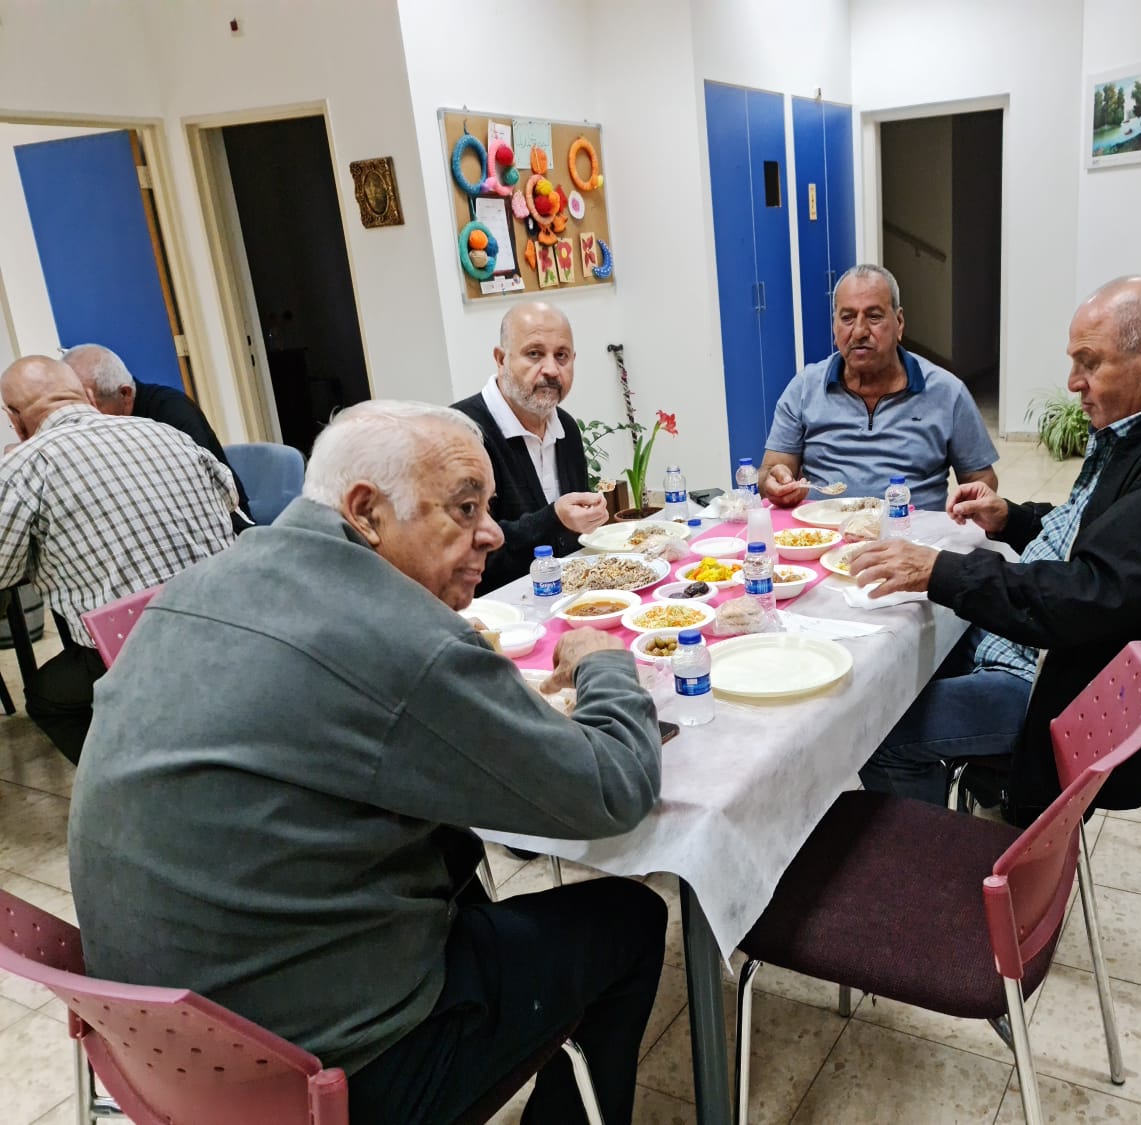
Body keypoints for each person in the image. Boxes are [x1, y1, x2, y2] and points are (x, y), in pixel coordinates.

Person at [68, 400, 666, 1125]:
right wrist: (605, 665)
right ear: (366, 511)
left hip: (164, 1048)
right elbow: (614, 788)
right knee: (629, 918)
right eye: (465, 506)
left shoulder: (203, 581)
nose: (493, 533)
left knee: (450, 855)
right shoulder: (402, 642)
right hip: (317, 1072)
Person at [848, 276, 1141, 823]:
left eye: (1089, 362)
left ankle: (942, 868)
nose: (1074, 382)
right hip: (1056, 652)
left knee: (877, 731)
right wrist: (1014, 519)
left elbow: (1082, 598)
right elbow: (1100, 537)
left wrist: (940, 569)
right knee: (896, 656)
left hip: (1063, 691)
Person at [0, 355, 236, 763]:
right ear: (87, 395)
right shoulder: (166, 433)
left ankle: (127, 783)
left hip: (134, 647)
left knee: (45, 698)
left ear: (15, 419)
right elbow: (229, 501)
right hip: (229, 620)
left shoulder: (23, 466)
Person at [758, 264, 999, 512]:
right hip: (823, 534)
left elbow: (981, 481)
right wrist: (775, 483)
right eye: (847, 318)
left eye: (874, 316)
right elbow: (770, 471)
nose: (860, 331)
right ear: (834, 327)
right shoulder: (805, 388)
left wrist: (967, 510)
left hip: (911, 539)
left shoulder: (947, 392)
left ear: (899, 323)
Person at [452, 302, 609, 594]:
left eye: (561, 356)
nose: (551, 369)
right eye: (534, 354)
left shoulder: (566, 428)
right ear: (501, 359)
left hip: (566, 599)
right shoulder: (461, 435)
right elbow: (469, 553)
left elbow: (570, 544)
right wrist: (555, 519)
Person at [62, 343, 252, 521]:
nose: (82, 417)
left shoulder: (171, 412)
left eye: (91, 406)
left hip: (224, 522)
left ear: (125, 394)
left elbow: (201, 494)